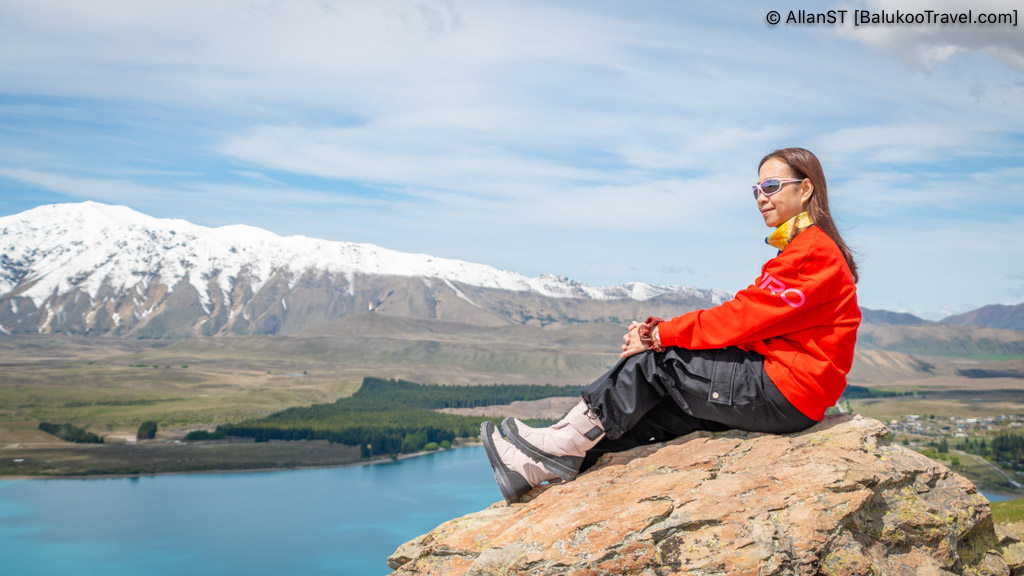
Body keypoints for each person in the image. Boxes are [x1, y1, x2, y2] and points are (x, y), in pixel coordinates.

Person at [482, 147, 861, 505]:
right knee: (652, 411)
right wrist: (661, 333)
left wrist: (656, 337)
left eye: (772, 186)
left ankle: (561, 441)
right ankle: (532, 468)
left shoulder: (811, 253)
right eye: (756, 189)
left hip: (784, 392)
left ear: (806, 187)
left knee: (660, 363)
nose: (761, 197)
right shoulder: (801, 251)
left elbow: (740, 318)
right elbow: (751, 322)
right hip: (785, 393)